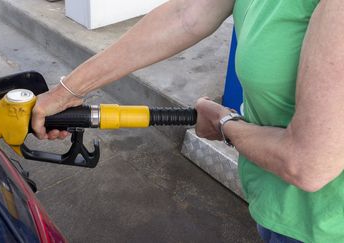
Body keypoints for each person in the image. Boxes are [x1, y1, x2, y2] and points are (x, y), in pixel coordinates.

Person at [31, 0, 344, 242]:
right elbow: (186, 15)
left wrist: (225, 124)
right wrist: (69, 90)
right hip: (277, 204)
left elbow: (307, 164)